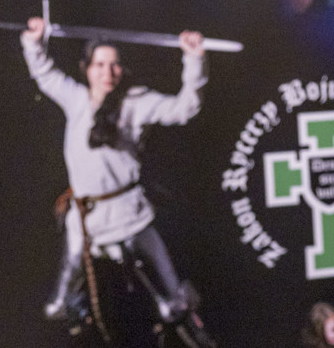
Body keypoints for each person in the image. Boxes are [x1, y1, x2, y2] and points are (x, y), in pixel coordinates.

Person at [21, 19, 206, 326]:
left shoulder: (137, 102)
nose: (107, 73)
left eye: (114, 65)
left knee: (173, 303)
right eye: (99, 65)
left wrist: (194, 59)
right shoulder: (76, 100)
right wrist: (34, 41)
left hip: (130, 215)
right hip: (86, 218)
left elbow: (185, 108)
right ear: (87, 68)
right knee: (59, 304)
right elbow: (44, 73)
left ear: (123, 69)